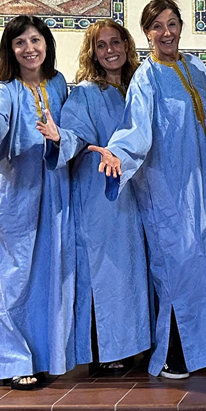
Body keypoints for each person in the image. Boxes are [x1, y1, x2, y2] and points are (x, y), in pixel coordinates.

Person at [87, 0, 206, 379]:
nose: (166, 32)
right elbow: (136, 130)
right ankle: (172, 353)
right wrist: (117, 155)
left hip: (202, 186)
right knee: (175, 268)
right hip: (165, 190)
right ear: (146, 34)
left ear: (181, 27)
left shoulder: (196, 68)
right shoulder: (146, 77)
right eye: (157, 26)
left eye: (172, 24)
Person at [0, 15, 75, 389]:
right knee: (12, 280)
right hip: (14, 195)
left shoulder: (57, 84)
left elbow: (68, 129)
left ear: (47, 43)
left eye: (35, 40)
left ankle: (41, 356)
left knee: (46, 277)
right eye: (20, 43)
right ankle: (13, 360)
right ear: (10, 50)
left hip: (52, 192)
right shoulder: (4, 88)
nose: (29, 49)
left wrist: (62, 138)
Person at [36, 19, 151, 372]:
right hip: (99, 193)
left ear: (127, 46)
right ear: (92, 53)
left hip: (136, 191)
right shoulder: (86, 93)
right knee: (104, 272)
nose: (110, 51)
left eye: (115, 42)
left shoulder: (140, 86)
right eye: (101, 46)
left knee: (133, 270)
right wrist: (60, 138)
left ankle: (133, 345)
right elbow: (75, 135)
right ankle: (104, 352)